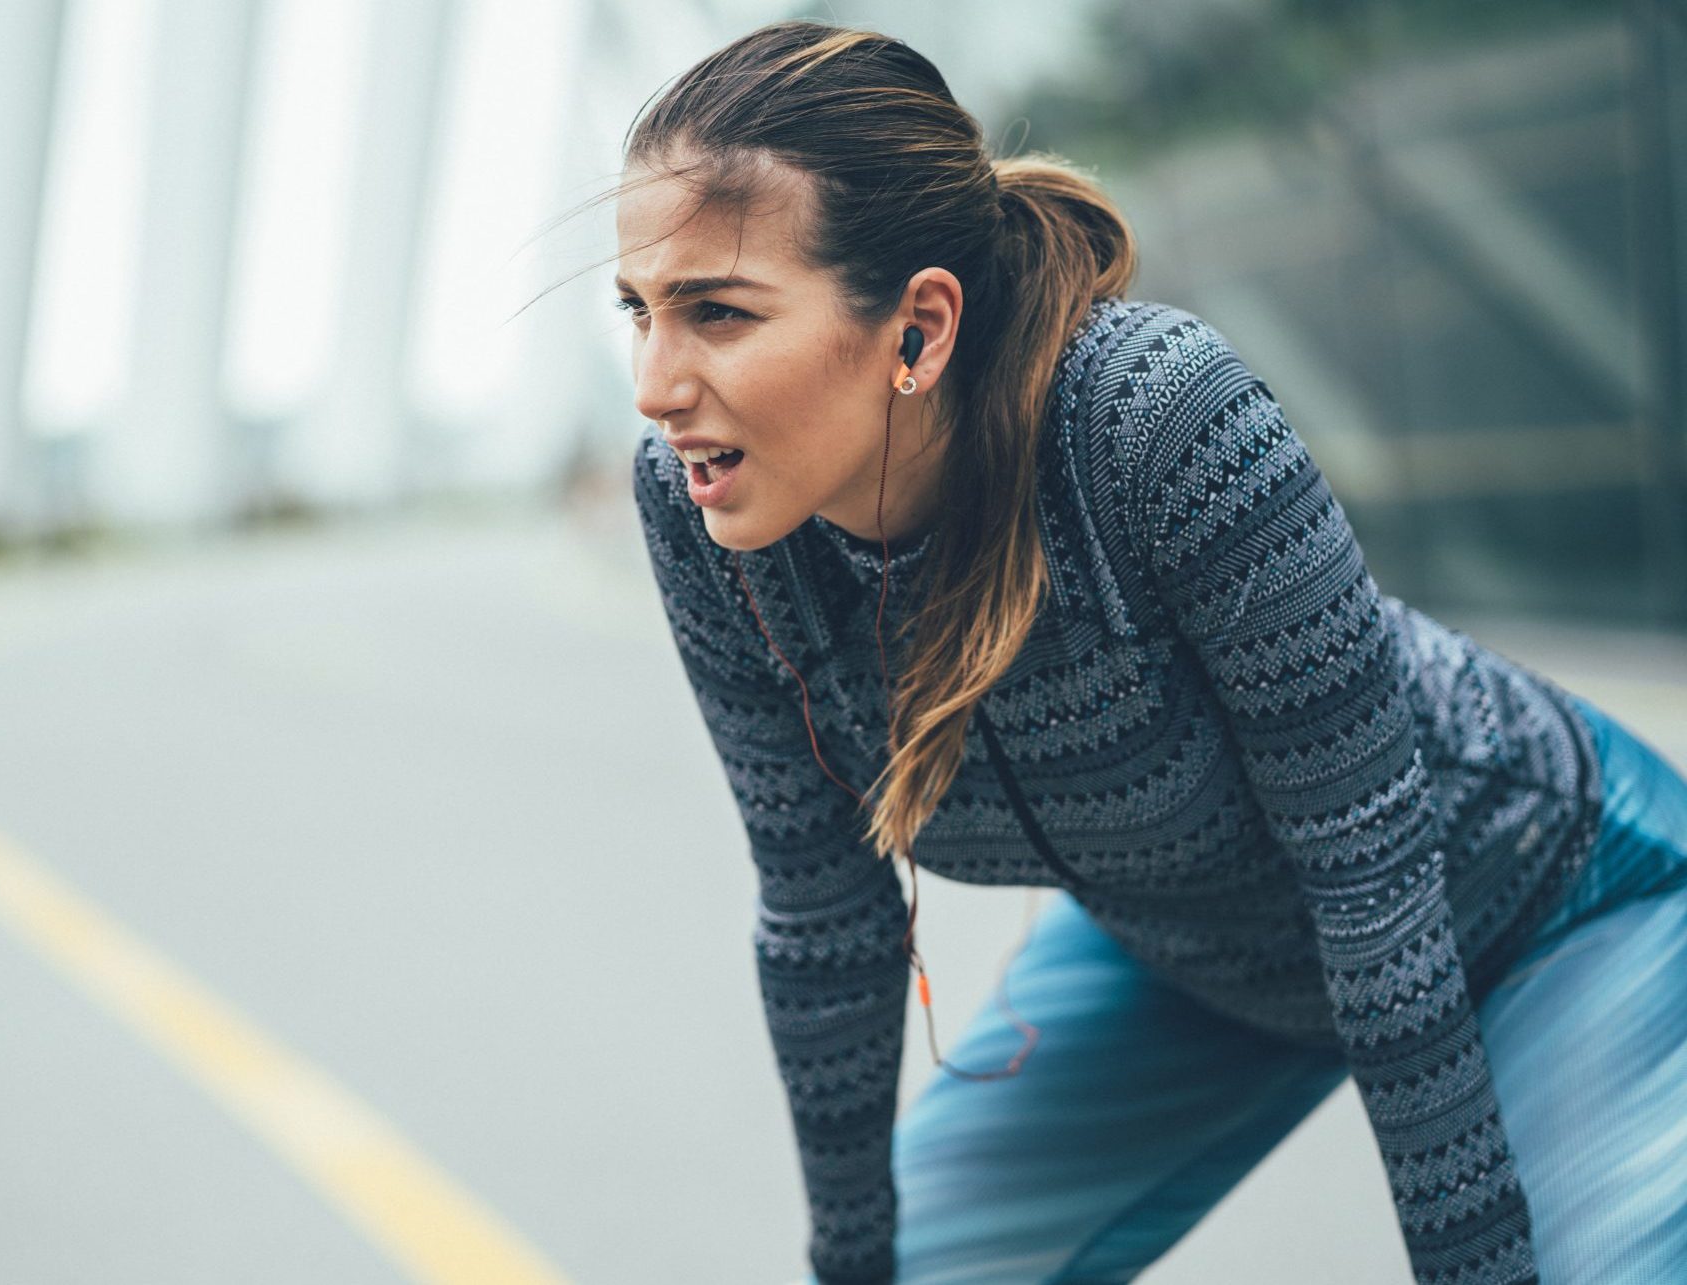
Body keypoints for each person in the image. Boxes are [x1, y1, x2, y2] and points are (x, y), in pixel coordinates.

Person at [614, 20, 1687, 1285]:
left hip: (1540, 898)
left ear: (917, 328)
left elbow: (1370, 891)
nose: (654, 383)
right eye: (636, 311)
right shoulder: (707, 521)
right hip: (1184, 951)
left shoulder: (1153, 422)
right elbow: (824, 917)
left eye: (717, 314)